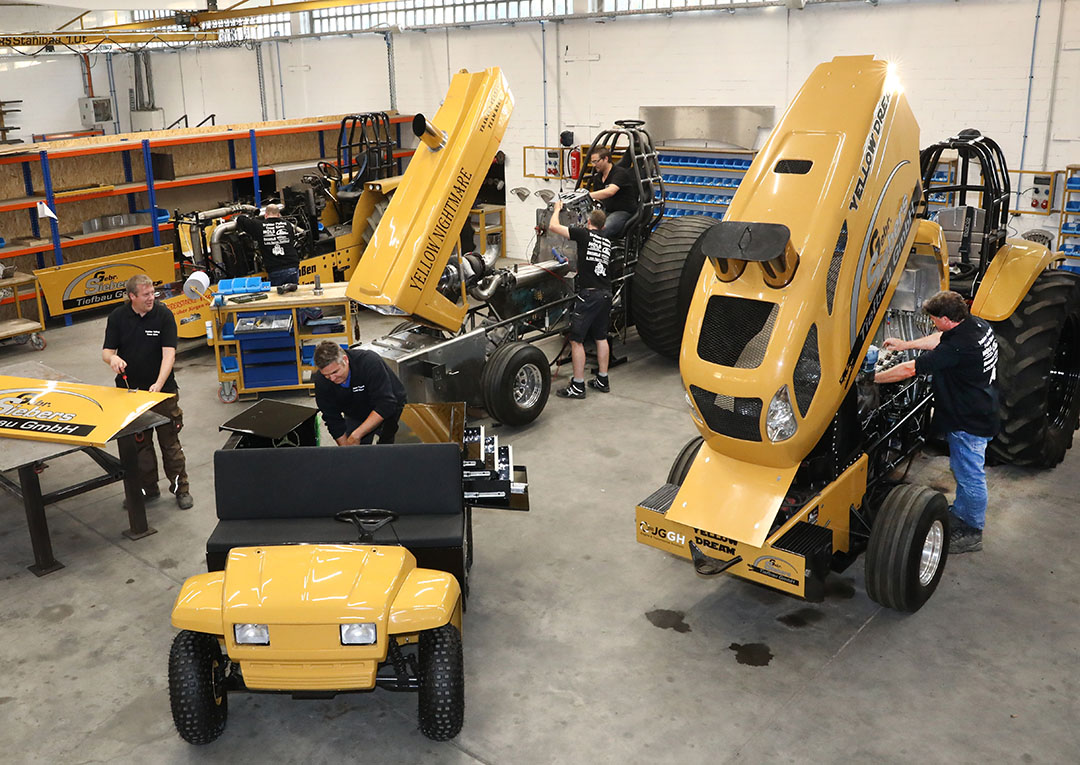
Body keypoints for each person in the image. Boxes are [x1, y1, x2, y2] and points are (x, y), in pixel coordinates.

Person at [874, 290, 999, 553]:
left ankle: (973, 530)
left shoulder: (957, 348)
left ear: (946, 318)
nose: (932, 323)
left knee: (969, 475)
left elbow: (909, 370)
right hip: (981, 407)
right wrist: (906, 345)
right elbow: (940, 338)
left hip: (968, 420)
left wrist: (869, 379)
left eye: (934, 319)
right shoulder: (975, 324)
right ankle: (962, 513)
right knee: (963, 470)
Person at [102, 274, 192, 509]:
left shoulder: (163, 315)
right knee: (139, 446)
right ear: (132, 296)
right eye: (146, 295)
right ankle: (147, 490)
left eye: (153, 293)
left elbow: (169, 354)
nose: (152, 298)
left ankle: (180, 489)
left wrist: (159, 385)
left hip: (163, 392)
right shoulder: (118, 317)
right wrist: (113, 359)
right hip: (130, 394)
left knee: (170, 443)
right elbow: (107, 351)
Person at [547, 196, 613, 399]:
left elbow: (553, 227)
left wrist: (557, 209)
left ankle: (577, 385)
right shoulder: (607, 241)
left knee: (577, 340)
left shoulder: (583, 234)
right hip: (605, 294)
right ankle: (602, 379)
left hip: (590, 295)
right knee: (601, 337)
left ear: (589, 222)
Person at [312, 341, 407, 445]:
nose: (332, 378)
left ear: (345, 359)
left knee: (388, 449)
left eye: (335, 372)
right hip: (356, 412)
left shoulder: (369, 362)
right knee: (355, 453)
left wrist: (357, 435)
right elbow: (332, 418)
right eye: (327, 375)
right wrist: (346, 448)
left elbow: (385, 404)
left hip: (391, 407)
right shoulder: (322, 381)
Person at [236, 203, 302, 286]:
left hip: (275, 269)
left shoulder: (259, 226)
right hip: (292, 266)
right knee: (293, 294)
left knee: (278, 296)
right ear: (278, 215)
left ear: (265, 215)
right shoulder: (288, 225)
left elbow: (241, 219)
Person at [587, 147, 639, 239]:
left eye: (596, 161)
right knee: (586, 226)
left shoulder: (620, 173)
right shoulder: (598, 177)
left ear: (606, 159)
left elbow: (610, 192)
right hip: (606, 210)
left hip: (623, 211)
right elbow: (598, 198)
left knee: (602, 230)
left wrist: (587, 195)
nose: (594, 165)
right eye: (592, 162)